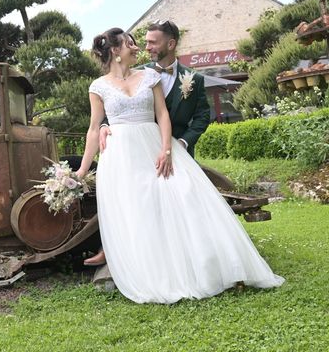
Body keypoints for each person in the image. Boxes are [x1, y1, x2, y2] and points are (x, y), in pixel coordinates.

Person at [75, 27, 283, 304]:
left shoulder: (149, 76)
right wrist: (81, 170)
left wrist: (167, 150)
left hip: (154, 145)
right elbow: (92, 128)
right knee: (137, 209)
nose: (137, 48)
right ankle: (148, 268)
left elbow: (162, 114)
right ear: (115, 50)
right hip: (121, 156)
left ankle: (209, 263)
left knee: (182, 194)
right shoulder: (98, 86)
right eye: (130, 44)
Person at [84, 20, 210, 266]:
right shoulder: (135, 72)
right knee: (133, 199)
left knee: (183, 195)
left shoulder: (191, 78)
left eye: (152, 42)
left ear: (170, 44)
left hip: (167, 146)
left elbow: (201, 116)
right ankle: (114, 250)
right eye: (140, 43)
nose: (145, 47)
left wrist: (179, 145)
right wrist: (104, 126)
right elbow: (112, 107)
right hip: (131, 148)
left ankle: (192, 254)